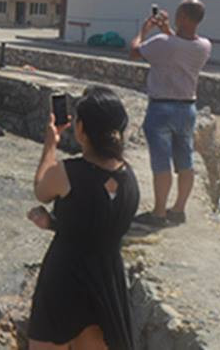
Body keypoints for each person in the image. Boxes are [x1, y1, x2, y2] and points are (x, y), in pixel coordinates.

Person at [27, 87, 140, 350]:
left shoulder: (68, 172)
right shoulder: (130, 179)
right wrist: (54, 224)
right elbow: (98, 223)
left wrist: (51, 143)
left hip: (64, 277)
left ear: (81, 129)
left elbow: (41, 190)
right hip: (107, 281)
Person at [129, 0, 211, 229]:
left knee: (161, 162)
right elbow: (179, 46)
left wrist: (143, 31)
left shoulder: (162, 42)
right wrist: (168, 31)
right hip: (187, 109)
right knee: (185, 161)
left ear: (182, 17)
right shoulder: (204, 46)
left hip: (161, 108)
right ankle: (178, 210)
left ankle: (158, 213)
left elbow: (134, 52)